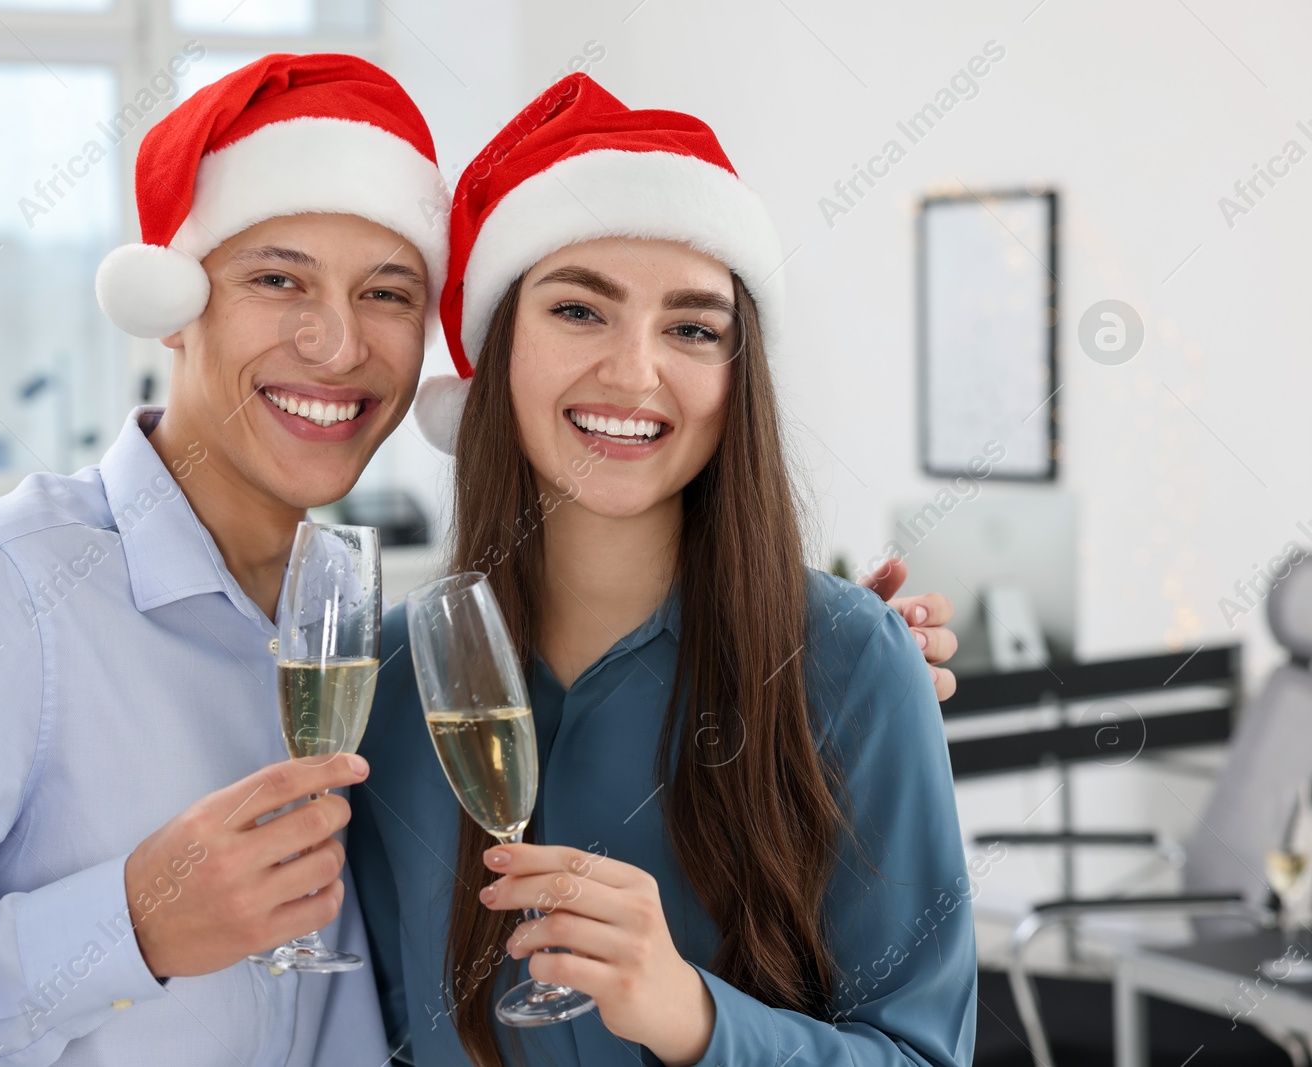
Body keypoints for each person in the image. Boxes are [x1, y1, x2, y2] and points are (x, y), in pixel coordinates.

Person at [0, 53, 955, 1065]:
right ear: (175, 301)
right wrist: (127, 925)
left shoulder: (368, 647)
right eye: (275, 277)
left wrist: (840, 670)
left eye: (386, 293)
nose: (334, 343)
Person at [350, 74, 976, 1067]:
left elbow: (921, 1052)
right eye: (579, 311)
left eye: (691, 328)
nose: (635, 372)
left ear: (737, 379)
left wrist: (692, 1013)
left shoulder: (852, 662)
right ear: (498, 353)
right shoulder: (388, 680)